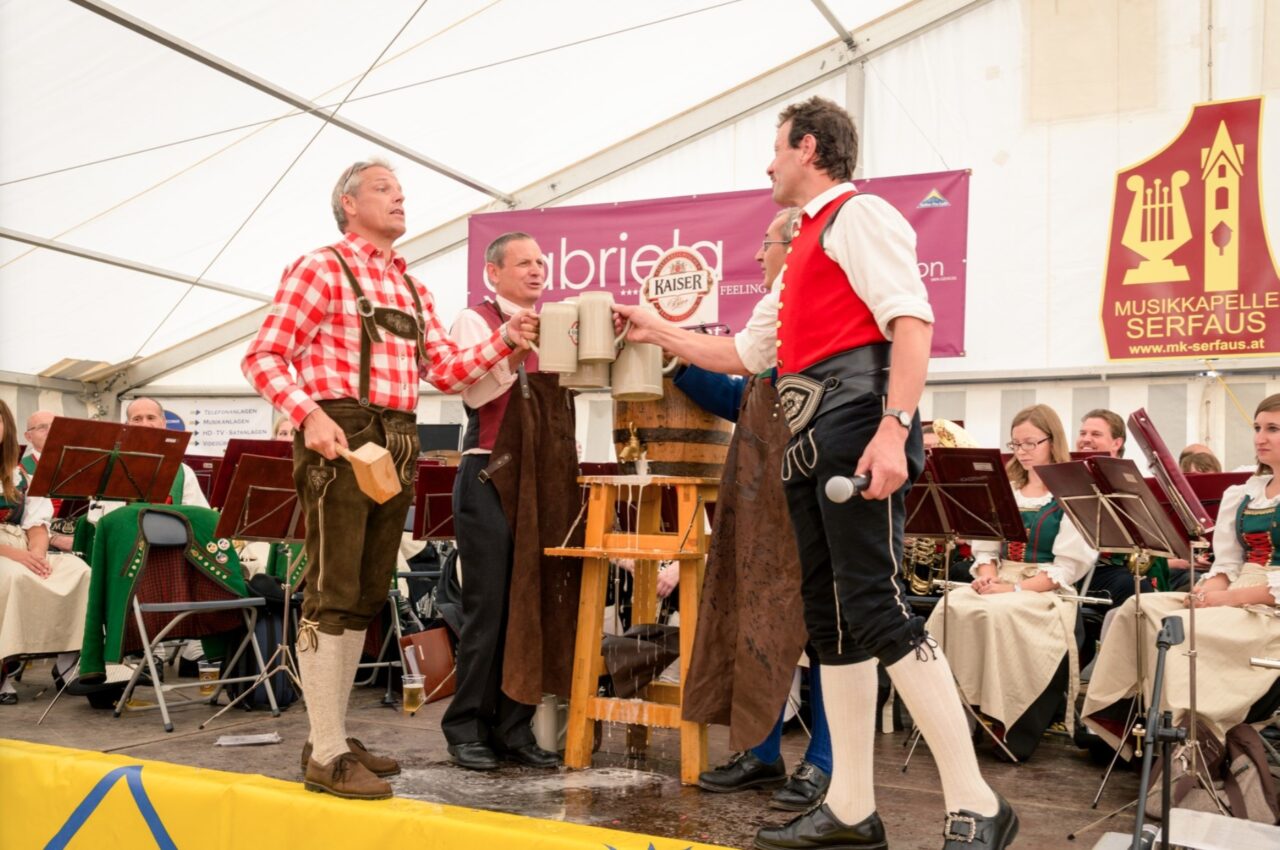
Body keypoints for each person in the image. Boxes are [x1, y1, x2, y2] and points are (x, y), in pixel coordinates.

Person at [614, 96, 1015, 850]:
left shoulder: (858, 216)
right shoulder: (803, 246)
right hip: (810, 437)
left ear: (807, 147)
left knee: (877, 608)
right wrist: (657, 328)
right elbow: (744, 354)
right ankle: (853, 809)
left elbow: (912, 320)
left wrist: (895, 428)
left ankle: (978, 802)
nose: (767, 164)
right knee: (832, 623)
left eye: (775, 148)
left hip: (858, 423)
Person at [241, 159, 537, 800]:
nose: (399, 198)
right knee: (331, 591)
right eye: (383, 189)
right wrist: (309, 416)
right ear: (348, 204)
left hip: (398, 439)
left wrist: (507, 337)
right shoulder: (320, 267)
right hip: (340, 435)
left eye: (402, 191)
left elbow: (449, 372)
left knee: (366, 592)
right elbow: (263, 355)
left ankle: (331, 736)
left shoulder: (411, 286)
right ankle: (325, 752)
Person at [676, 208, 832, 812]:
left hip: (812, 489)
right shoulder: (774, 318)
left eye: (767, 245)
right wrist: (679, 363)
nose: (759, 256)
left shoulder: (822, 311)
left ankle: (827, 762)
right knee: (756, 619)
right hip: (762, 497)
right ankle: (761, 754)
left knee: (825, 629)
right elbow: (746, 393)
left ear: (795, 245)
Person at [1083, 393, 1280, 746]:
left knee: (1179, 627)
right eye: (1257, 428)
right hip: (1236, 593)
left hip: (1269, 609)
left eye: (1273, 429)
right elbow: (1227, 564)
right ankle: (1124, 718)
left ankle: (1182, 733)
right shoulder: (1244, 493)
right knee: (1138, 608)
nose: (1260, 438)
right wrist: (1205, 591)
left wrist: (1224, 599)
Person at [441, 232, 568, 772]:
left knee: (529, 608)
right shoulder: (476, 320)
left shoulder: (557, 325)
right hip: (489, 475)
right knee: (488, 609)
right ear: (493, 272)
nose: (537, 270)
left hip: (542, 478)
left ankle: (514, 728)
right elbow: (475, 391)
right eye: (524, 263)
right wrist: (514, 344)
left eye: (541, 262)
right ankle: (466, 727)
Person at [926, 404, 1097, 760]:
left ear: (1052, 441)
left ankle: (1004, 716)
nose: (1022, 451)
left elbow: (1066, 568)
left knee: (998, 614)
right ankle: (956, 713)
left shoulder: (1071, 492)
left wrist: (1013, 589)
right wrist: (987, 576)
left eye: (1031, 443)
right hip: (1001, 578)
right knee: (950, 607)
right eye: (1016, 444)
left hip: (1043, 588)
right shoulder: (1006, 487)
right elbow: (986, 548)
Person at [0, 400, 92, 704]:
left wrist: (38, 554)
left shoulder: (18, 475)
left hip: (24, 545)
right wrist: (19, 557)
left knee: (78, 570)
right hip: (7, 553)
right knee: (13, 576)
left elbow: (37, 524)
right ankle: (3, 671)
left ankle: (69, 665)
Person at [21, 411, 74, 553]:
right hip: (38, 542)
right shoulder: (20, 470)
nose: (50, 431)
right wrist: (52, 538)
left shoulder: (79, 465)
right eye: (42, 427)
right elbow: (20, 517)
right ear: (28, 436)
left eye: (55, 426)